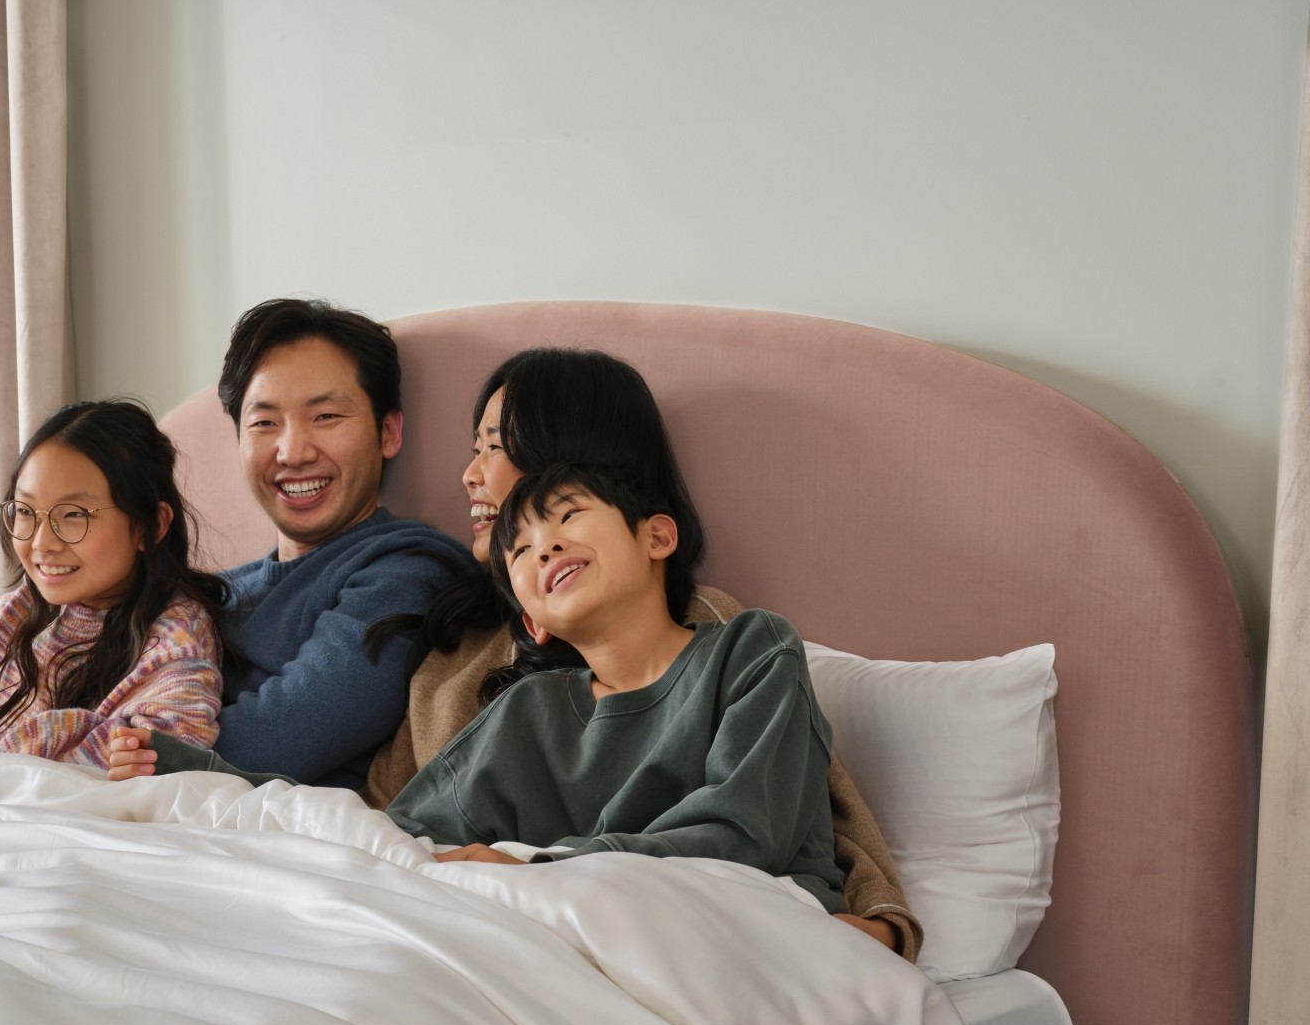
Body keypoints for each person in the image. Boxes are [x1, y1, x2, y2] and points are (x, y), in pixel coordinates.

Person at [115, 346, 921, 957]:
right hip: (482, 919)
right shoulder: (477, 662)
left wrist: (878, 924)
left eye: (494, 447)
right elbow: (395, 829)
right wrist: (208, 780)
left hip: (646, 917)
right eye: (524, 545)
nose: (469, 475)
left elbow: (797, 812)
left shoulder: (725, 637)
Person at [394, 461, 845, 911]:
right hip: (566, 920)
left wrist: (546, 868)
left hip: (751, 915)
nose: (546, 547)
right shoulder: (526, 710)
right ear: (533, 625)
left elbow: (747, 834)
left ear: (658, 538)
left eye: (569, 516)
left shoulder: (751, 650)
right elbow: (406, 837)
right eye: (521, 552)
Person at [0, 399, 225, 766]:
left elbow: (165, 753)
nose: (41, 543)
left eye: (74, 515)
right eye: (26, 511)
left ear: (151, 526)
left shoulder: (176, 643)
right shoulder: (22, 609)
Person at [206, 298, 470, 788]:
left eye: (325, 416)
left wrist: (124, 746)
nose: (292, 451)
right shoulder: (208, 595)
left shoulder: (408, 570)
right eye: (264, 423)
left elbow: (276, 743)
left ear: (388, 433)